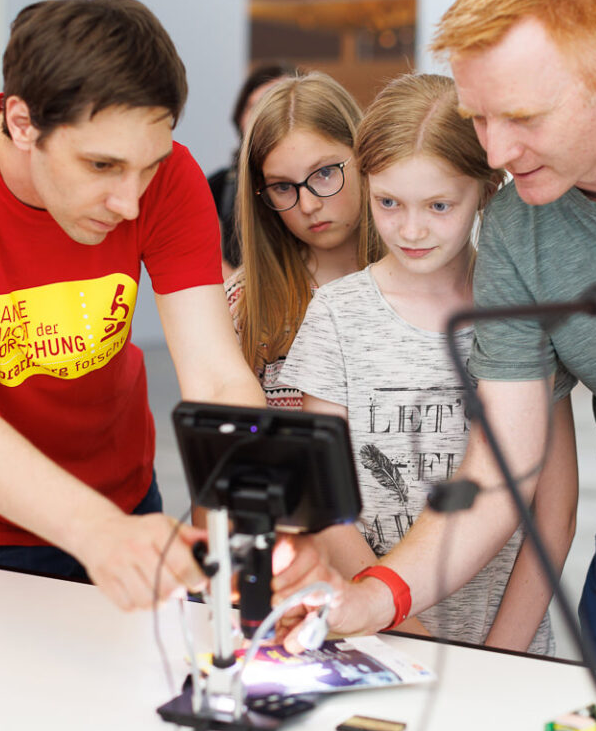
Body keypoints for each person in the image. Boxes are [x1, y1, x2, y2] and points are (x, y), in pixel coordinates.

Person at [274, 0, 596, 683]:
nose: (497, 152)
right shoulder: (516, 228)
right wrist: (378, 598)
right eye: (479, 118)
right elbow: (507, 457)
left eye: (523, 118)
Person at [0, 0, 264, 610]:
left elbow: (217, 378)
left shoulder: (170, 178)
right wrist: (94, 530)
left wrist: (262, 508)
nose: (130, 202)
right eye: (101, 164)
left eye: (148, 167)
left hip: (124, 510)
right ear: (23, 122)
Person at [280, 73, 576, 650]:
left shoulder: (520, 313)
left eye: (439, 205)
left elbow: (554, 508)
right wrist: (406, 634)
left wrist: (503, 650)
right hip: (376, 641)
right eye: (389, 203)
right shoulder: (336, 314)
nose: (411, 229)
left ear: (487, 191)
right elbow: (326, 508)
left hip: (504, 646)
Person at [226, 72, 363, 409]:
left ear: (364, 156)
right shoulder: (243, 304)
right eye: (283, 186)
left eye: (325, 173)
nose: (309, 205)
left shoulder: (424, 282)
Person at [207, 62, 295, 277]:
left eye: (278, 103)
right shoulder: (217, 187)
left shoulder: (317, 185)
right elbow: (204, 257)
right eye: (256, 107)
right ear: (240, 117)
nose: (266, 116)